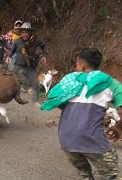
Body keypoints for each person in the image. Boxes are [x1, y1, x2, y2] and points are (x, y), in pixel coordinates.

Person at [41, 48, 122, 179]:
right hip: (91, 138)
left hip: (66, 140)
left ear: (82, 65)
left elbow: (57, 101)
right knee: (110, 174)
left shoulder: (70, 79)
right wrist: (119, 127)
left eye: (76, 64)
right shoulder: (110, 82)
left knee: (84, 174)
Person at [9, 22, 47, 107]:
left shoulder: (36, 40)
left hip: (30, 66)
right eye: (23, 32)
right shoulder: (17, 41)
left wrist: (44, 55)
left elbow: (44, 45)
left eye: (27, 32)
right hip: (18, 66)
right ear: (21, 33)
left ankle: (35, 101)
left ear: (30, 33)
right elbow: (12, 50)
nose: (25, 34)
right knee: (15, 83)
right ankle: (16, 99)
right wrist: (8, 57)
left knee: (36, 84)